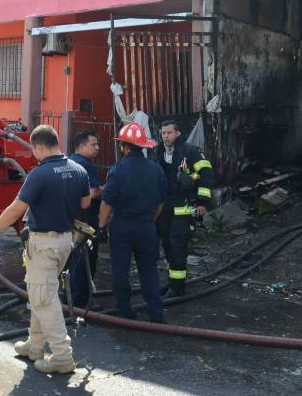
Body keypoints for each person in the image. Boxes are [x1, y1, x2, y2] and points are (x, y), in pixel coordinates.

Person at [0, 125, 90, 375]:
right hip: (64, 242)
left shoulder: (40, 174)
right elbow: (84, 202)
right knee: (42, 292)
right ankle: (34, 345)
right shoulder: (79, 169)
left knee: (43, 298)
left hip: (44, 244)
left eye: (34, 151)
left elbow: (16, 210)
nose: (33, 155)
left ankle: (62, 356)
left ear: (39, 147)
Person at [99, 122, 166, 322]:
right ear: (143, 146)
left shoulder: (118, 169)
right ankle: (156, 313)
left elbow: (107, 203)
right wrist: (150, 220)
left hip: (123, 226)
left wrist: (101, 227)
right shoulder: (156, 170)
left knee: (120, 269)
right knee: (149, 269)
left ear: (124, 147)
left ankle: (124, 311)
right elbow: (161, 202)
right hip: (146, 226)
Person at [153, 120, 213, 297]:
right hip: (164, 209)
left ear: (177, 133)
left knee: (177, 246)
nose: (165, 136)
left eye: (169, 133)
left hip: (184, 208)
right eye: (163, 133)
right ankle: (173, 283)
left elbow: (207, 175)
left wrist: (202, 202)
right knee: (167, 246)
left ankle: (178, 289)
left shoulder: (190, 151)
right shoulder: (158, 152)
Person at [68, 130, 103, 308]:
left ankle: (72, 297)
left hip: (72, 220)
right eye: (93, 145)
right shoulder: (84, 165)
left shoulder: (69, 162)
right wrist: (108, 189)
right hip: (86, 221)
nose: (97, 148)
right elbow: (94, 192)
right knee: (86, 260)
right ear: (80, 146)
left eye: (98, 144)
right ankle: (82, 303)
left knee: (74, 260)